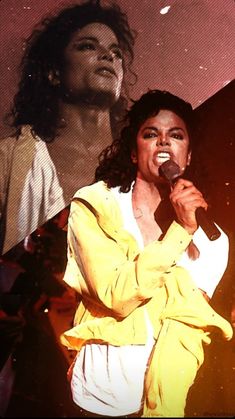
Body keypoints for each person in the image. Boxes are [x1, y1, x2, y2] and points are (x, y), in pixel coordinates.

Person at [60, 89, 233, 417]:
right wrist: (180, 232)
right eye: (151, 134)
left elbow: (186, 330)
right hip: (95, 399)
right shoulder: (96, 207)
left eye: (176, 136)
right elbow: (115, 294)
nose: (165, 142)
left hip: (158, 406)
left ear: (189, 155)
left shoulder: (214, 241)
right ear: (134, 153)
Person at [0, 0, 135, 255]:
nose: (108, 56)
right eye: (87, 46)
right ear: (53, 72)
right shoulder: (9, 159)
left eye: (116, 52)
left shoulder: (141, 156)